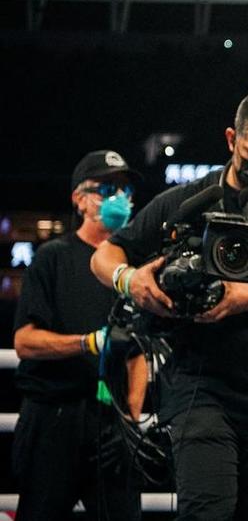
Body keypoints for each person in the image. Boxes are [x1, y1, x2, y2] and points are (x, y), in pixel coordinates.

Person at [90, 91, 248, 521]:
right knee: (206, 513)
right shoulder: (189, 200)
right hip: (200, 388)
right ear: (231, 139)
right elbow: (106, 255)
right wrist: (129, 280)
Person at [12, 149, 144, 520]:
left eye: (125, 189)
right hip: (53, 414)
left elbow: (138, 349)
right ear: (79, 199)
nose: (119, 197)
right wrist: (88, 343)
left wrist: (132, 419)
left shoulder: (132, 268)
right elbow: (24, 341)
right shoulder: (52, 257)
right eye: (107, 188)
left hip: (111, 419)